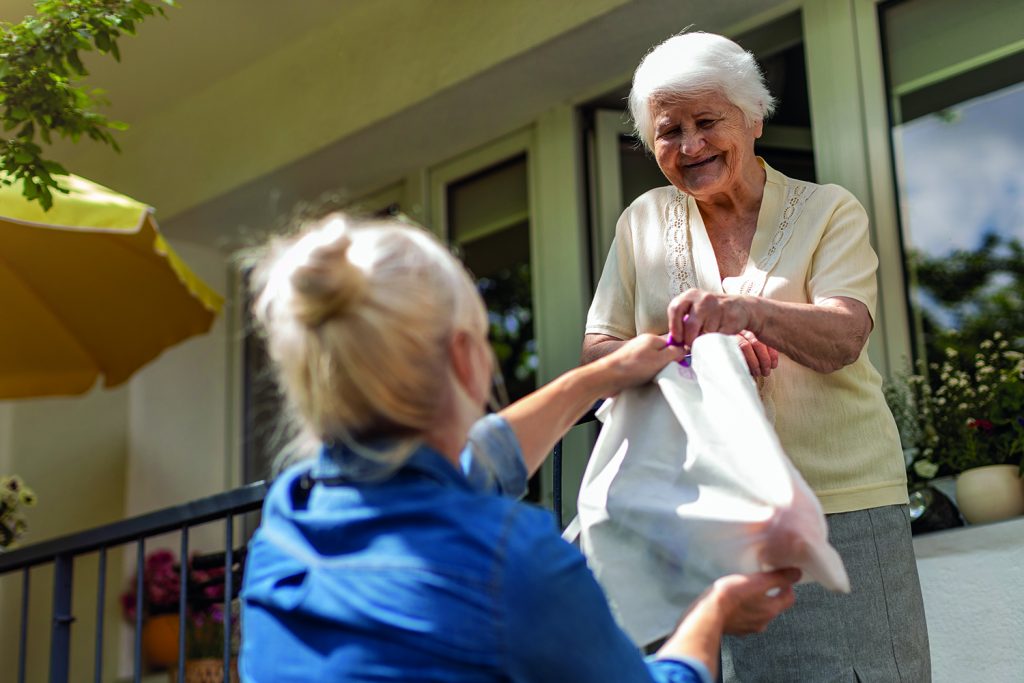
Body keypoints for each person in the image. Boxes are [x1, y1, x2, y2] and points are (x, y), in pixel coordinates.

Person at [239, 213, 801, 682]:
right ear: (465, 357)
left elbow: (467, 466)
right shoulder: (510, 557)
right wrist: (713, 607)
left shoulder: (289, 516)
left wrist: (604, 376)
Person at [582, 31, 930, 681]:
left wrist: (748, 312)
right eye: (669, 130)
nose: (690, 146)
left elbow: (844, 334)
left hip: (839, 506)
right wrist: (693, 346)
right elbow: (599, 350)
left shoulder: (829, 211)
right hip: (702, 512)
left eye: (707, 122)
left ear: (754, 118)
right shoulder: (642, 224)